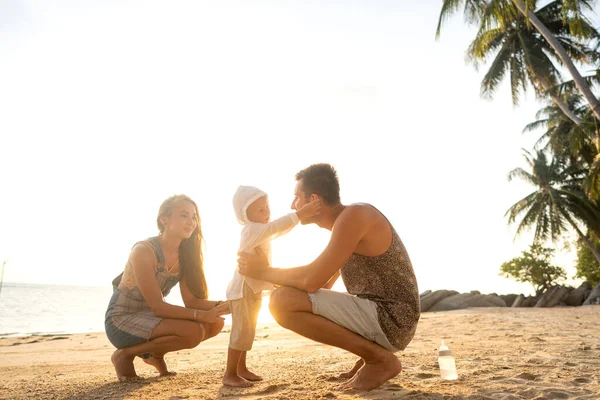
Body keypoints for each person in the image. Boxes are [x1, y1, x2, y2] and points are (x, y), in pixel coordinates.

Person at [238, 163, 420, 391]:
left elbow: (312, 281)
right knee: (287, 295)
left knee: (281, 302)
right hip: (390, 319)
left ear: (313, 199)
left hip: (392, 319)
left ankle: (379, 360)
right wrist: (265, 275)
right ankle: (370, 357)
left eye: (297, 198)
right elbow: (321, 283)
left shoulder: (355, 216)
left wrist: (263, 271)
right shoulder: (346, 224)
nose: (292, 205)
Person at [105, 194, 230, 382]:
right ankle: (124, 355)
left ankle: (155, 354)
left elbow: (192, 301)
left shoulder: (186, 255)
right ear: (164, 219)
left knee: (215, 323)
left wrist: (225, 305)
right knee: (194, 332)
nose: (191, 222)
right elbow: (157, 306)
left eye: (194, 216)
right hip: (122, 320)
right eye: (183, 215)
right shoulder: (143, 250)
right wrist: (201, 315)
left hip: (150, 318)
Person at [223, 185, 320, 387]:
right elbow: (276, 228)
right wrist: (300, 214)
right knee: (241, 331)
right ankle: (230, 373)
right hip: (243, 290)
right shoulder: (252, 229)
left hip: (252, 289)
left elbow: (276, 230)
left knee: (248, 329)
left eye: (267, 207)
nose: (266, 212)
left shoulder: (261, 231)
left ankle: (241, 368)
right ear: (245, 215)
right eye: (260, 210)